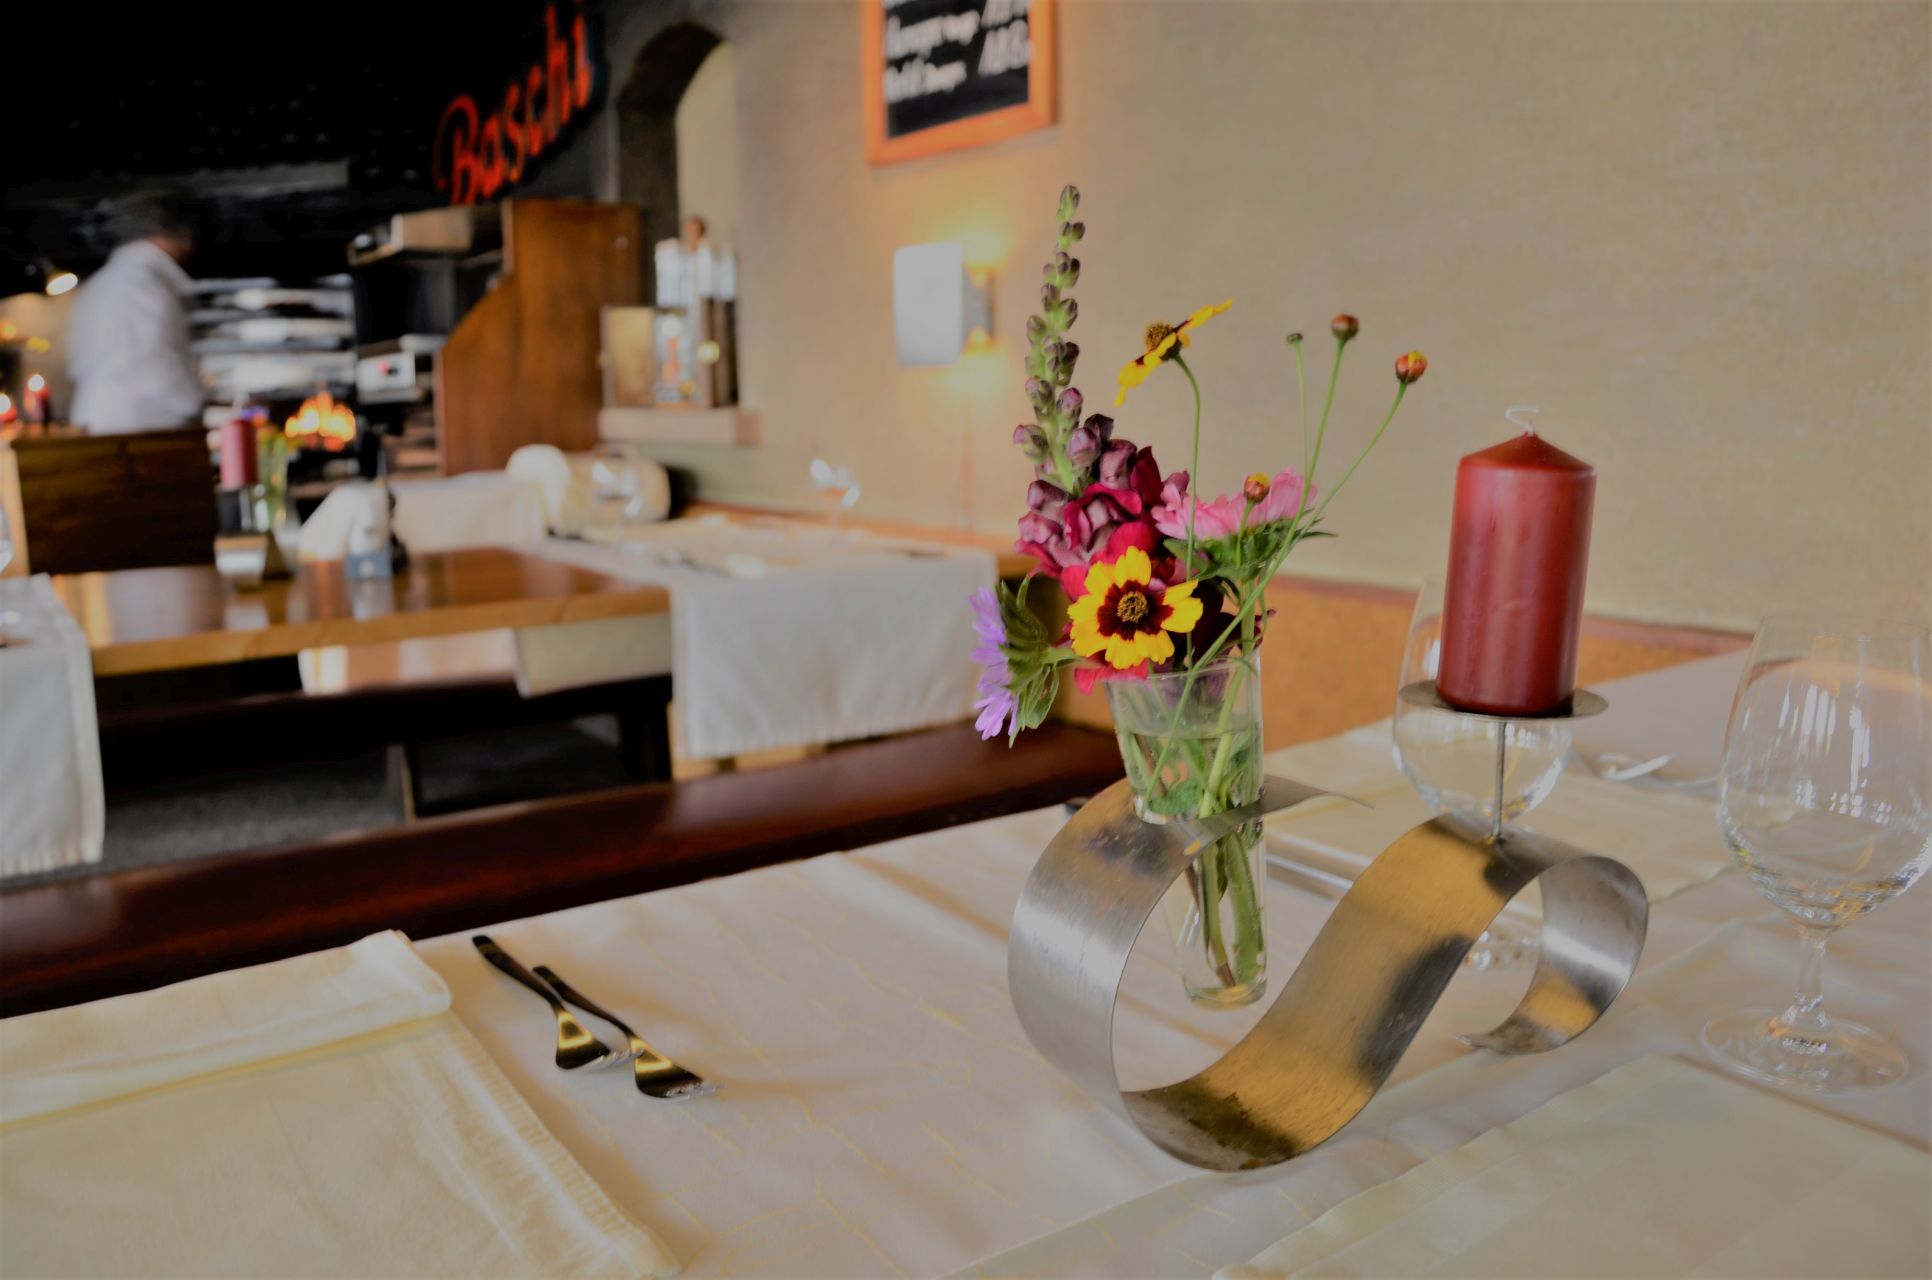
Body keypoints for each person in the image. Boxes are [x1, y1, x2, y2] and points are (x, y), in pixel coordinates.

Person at [66, 189, 208, 434]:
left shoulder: (104, 281)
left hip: (105, 426)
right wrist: (202, 406)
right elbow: (157, 367)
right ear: (181, 234)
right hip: (140, 430)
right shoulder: (142, 283)